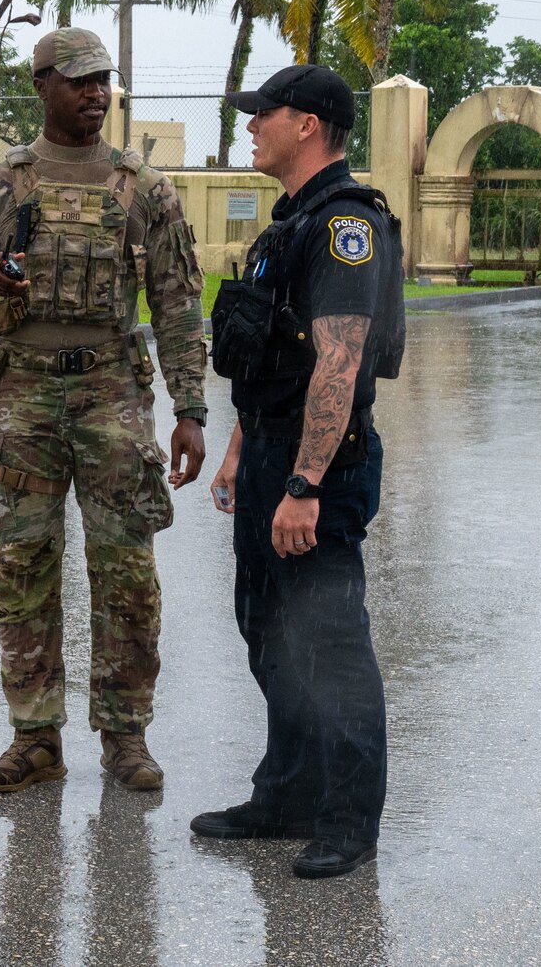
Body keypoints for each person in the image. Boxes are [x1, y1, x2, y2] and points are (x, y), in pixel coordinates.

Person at [0, 27, 208, 794]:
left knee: (126, 569)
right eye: (78, 80)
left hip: (113, 390)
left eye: (103, 79)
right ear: (40, 84)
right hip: (23, 394)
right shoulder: (1, 184)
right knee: (23, 567)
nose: (94, 92)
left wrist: (191, 409)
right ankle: (35, 737)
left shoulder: (144, 187)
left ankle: (126, 736)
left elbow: (178, 304)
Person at [192, 63, 404, 880]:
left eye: (263, 113)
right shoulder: (288, 225)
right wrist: (244, 453)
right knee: (271, 633)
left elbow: (338, 366)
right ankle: (285, 794)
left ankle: (347, 821)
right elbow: (274, 356)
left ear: (308, 123)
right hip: (272, 453)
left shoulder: (344, 226)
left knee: (331, 646)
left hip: (319, 464)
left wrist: (305, 486)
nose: (251, 125)